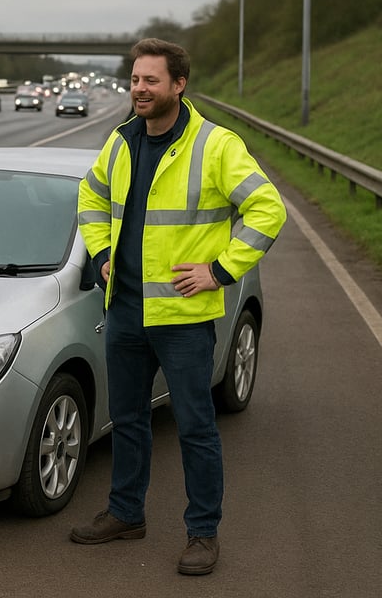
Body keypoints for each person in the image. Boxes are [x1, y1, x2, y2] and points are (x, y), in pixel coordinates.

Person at [71, 38, 286, 576]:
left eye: (151, 80)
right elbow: (90, 196)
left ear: (179, 85)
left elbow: (267, 209)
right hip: (125, 310)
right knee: (128, 420)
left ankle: (203, 533)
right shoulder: (121, 140)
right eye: (135, 79)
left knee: (195, 428)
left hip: (184, 318)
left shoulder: (215, 145)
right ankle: (126, 513)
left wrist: (219, 271)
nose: (139, 89)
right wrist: (101, 254)